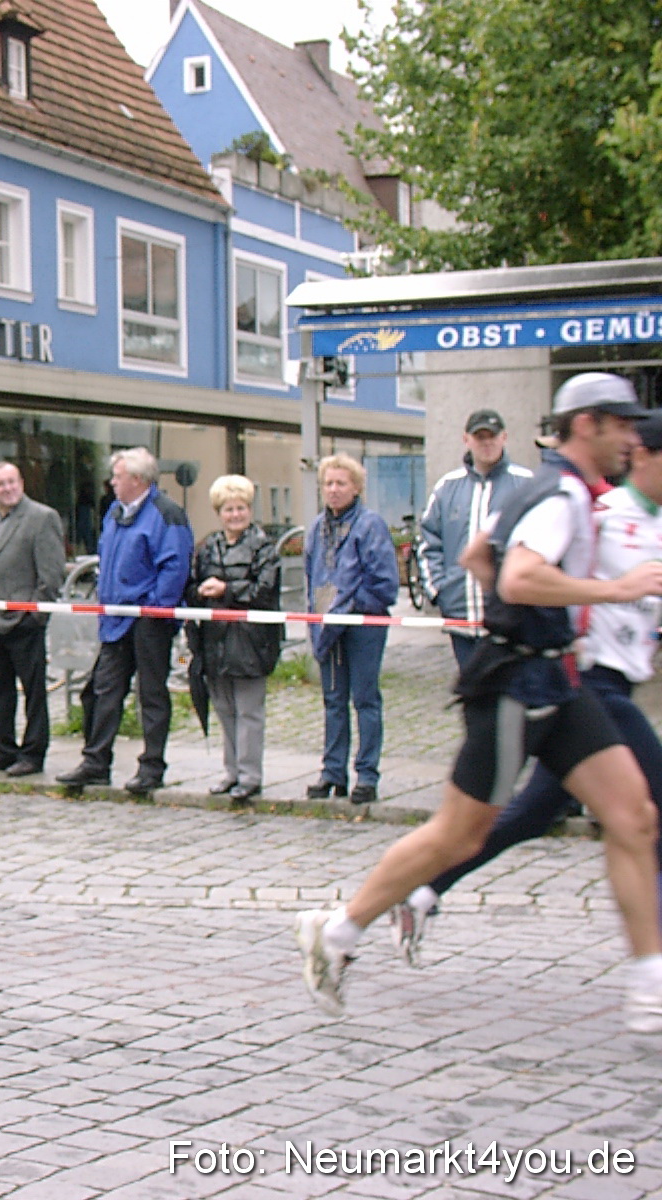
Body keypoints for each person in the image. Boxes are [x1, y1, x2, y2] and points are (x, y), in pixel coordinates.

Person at [294, 372, 662, 1033]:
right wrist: (611, 591)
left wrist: (530, 618)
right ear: (588, 426)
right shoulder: (558, 496)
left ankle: (649, 984)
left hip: (557, 679)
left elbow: (477, 556)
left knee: (633, 816)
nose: (632, 438)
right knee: (456, 835)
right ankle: (339, 930)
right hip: (515, 688)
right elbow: (516, 576)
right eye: (621, 424)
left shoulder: (544, 488)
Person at [391, 408, 662, 966]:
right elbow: (490, 556)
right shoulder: (599, 508)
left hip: (588, 686)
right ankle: (652, 960)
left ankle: (423, 891)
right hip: (587, 681)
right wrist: (537, 620)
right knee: (644, 812)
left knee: (529, 814)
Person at [57, 448, 192, 795]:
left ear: (137, 479)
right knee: (103, 690)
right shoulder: (115, 513)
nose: (112, 482)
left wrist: (154, 608)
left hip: (147, 618)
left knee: (151, 693)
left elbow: (174, 567)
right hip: (115, 617)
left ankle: (152, 766)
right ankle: (95, 761)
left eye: (117, 476)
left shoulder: (167, 514)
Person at [302, 454, 398, 805]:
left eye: (341, 483)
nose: (334, 489)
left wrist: (351, 604)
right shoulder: (316, 528)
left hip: (362, 625)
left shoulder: (370, 525)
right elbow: (311, 576)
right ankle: (333, 772)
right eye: (328, 483)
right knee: (333, 701)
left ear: (356, 487)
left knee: (365, 699)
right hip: (328, 624)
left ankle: (367, 775)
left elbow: (385, 585)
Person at [0, 461, 65, 777]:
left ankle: (33, 753)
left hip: (23, 620)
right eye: (0, 484)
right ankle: (3, 749)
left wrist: (35, 614)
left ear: (21, 483)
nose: (7, 489)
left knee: (33, 692)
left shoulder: (41, 518)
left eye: (12, 482)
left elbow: (51, 575)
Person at [186, 475, 282, 803]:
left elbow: (265, 592)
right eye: (229, 509)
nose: (235, 515)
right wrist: (200, 591)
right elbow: (192, 586)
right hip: (215, 638)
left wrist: (227, 590)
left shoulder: (264, 547)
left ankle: (250, 775)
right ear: (219, 512)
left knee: (249, 711)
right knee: (224, 708)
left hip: (252, 639)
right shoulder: (208, 546)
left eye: (240, 508)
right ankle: (231, 772)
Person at [417, 409, 534, 666]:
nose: (487, 443)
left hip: (510, 622)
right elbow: (429, 543)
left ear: (504, 437)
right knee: (474, 698)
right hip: (462, 620)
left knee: (509, 700)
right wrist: (439, 591)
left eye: (492, 436)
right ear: (466, 440)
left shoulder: (526, 486)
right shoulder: (447, 488)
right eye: (479, 437)